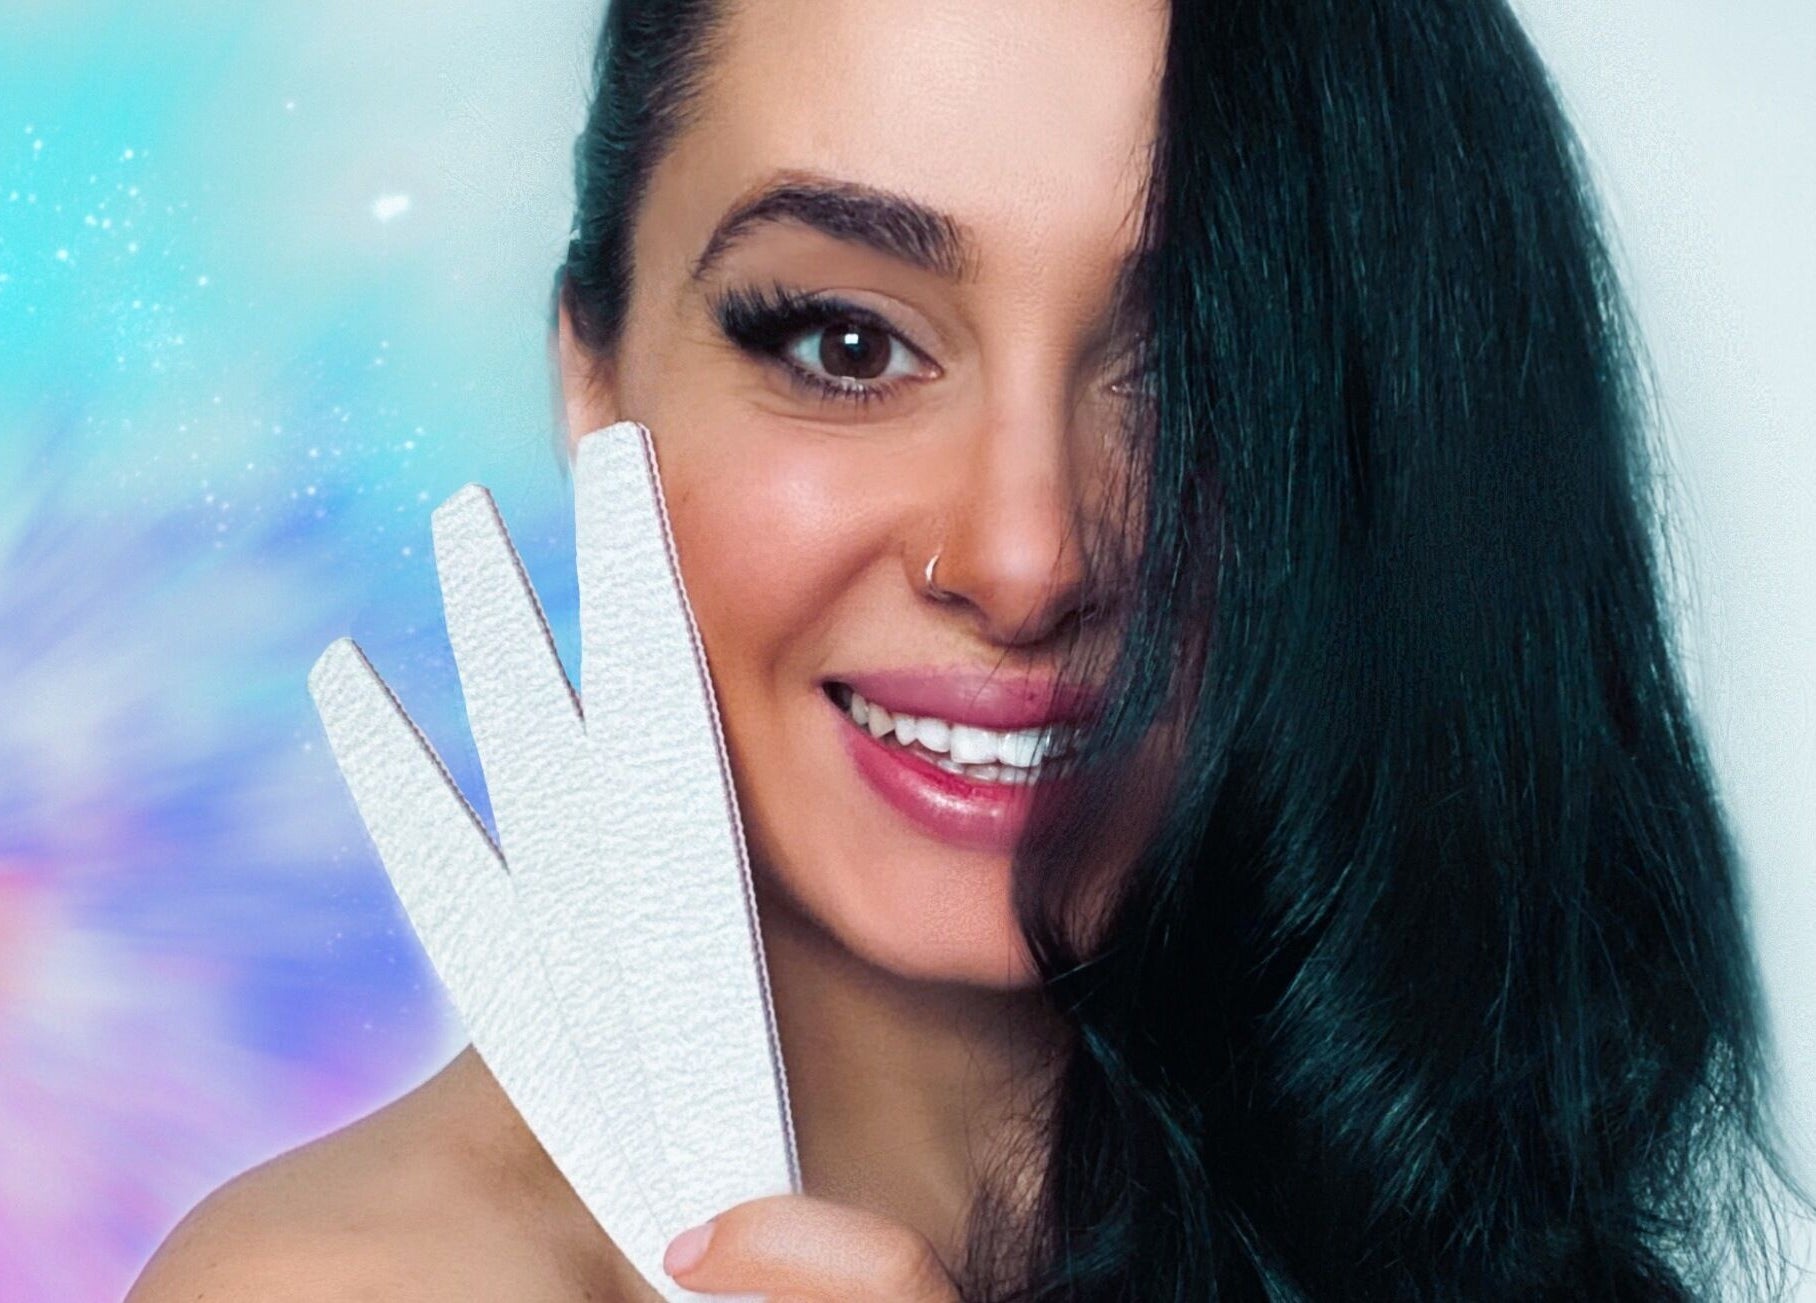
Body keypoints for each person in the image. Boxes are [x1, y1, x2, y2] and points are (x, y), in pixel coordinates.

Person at [130, 0, 1811, 1298]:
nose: (1024, 555)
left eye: (1204, 370)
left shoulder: (1448, 1190)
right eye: (846, 342)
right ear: (598, 378)